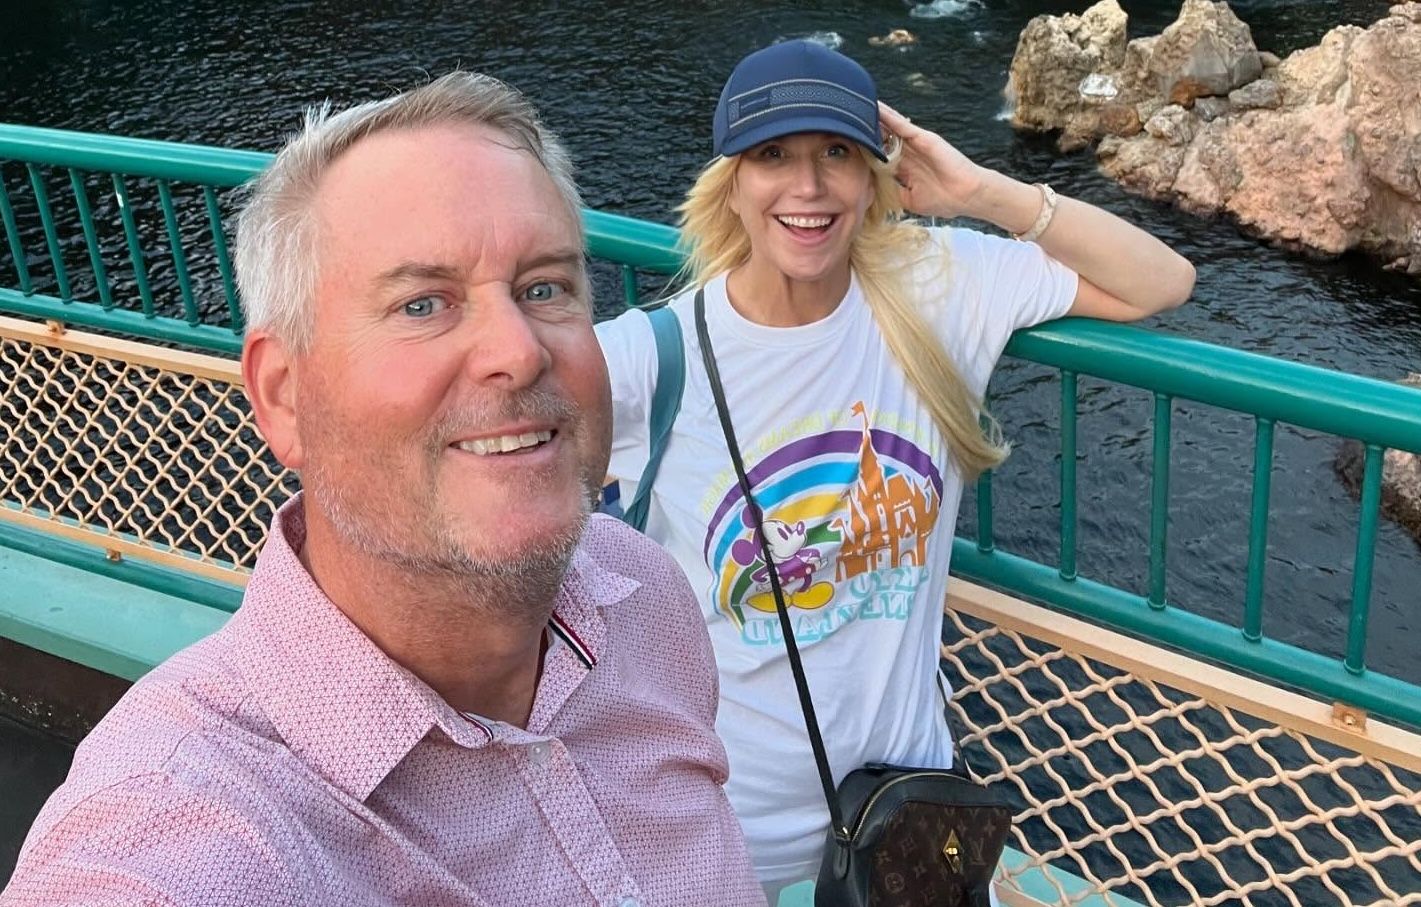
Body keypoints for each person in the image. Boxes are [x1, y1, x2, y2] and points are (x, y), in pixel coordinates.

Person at [2, 72, 764, 907]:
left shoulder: (642, 593)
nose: (517, 349)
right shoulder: (184, 832)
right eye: (422, 304)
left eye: (543, 287)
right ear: (285, 396)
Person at [595, 40, 1195, 897]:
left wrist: (982, 192)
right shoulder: (648, 359)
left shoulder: (935, 285)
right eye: (772, 157)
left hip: (908, 802)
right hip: (727, 820)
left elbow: (1160, 281)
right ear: (731, 181)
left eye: (835, 154)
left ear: (874, 173)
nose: (807, 189)